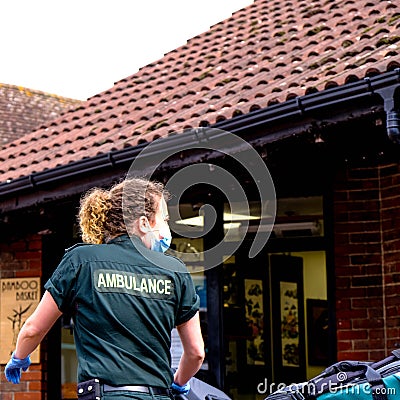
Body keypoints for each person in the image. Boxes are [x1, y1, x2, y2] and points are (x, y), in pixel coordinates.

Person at [5, 178, 205, 399]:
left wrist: (19, 356)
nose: (167, 228)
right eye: (164, 219)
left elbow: (34, 328)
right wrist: (178, 383)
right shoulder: (175, 270)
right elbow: (196, 353)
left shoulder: (81, 261)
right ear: (143, 223)